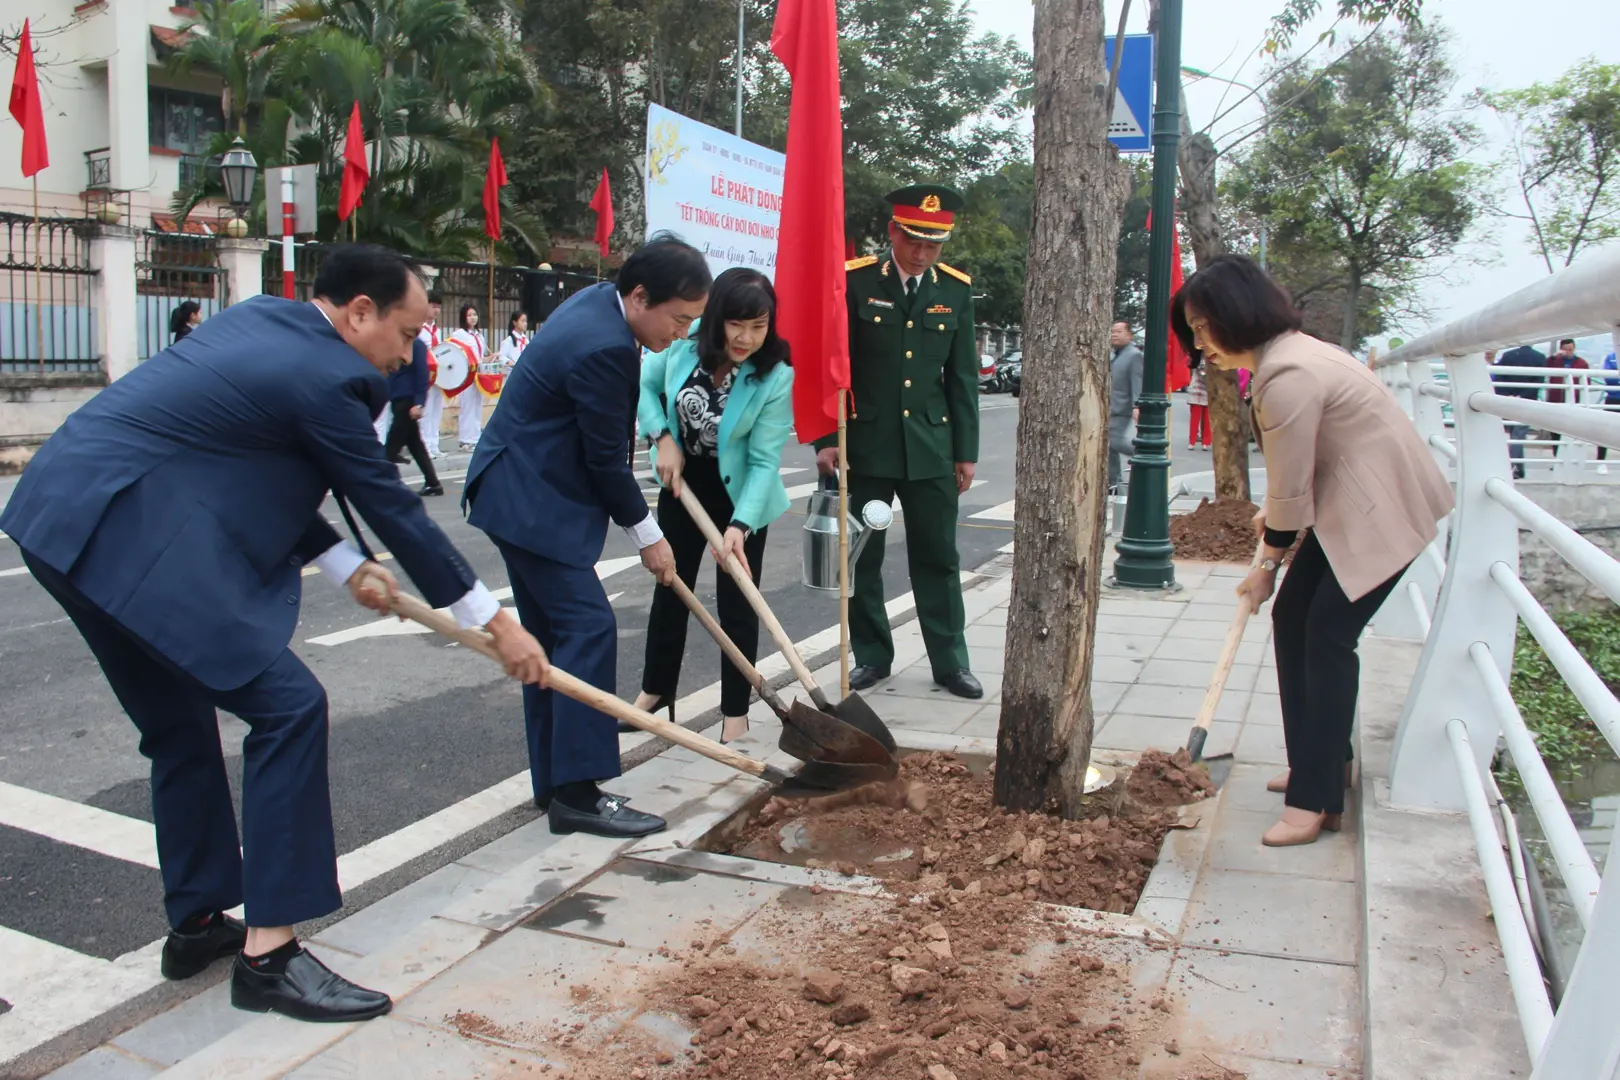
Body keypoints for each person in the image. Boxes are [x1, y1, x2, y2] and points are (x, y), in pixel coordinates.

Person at [0, 244, 548, 1021]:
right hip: (128, 535)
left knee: (177, 723)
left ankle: (195, 921)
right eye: (406, 331)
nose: (411, 352)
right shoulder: (331, 377)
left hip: (56, 517)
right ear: (360, 312)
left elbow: (246, 462)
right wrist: (495, 624)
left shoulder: (263, 319)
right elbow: (391, 505)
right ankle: (271, 956)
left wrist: (344, 565)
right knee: (288, 708)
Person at [1171, 254, 1452, 848]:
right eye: (1192, 329)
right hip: (1351, 510)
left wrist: (1266, 564)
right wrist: (1276, 519)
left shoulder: (1286, 376)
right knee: (1293, 619)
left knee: (1325, 636)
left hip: (1380, 516)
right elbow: (1293, 484)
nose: (1200, 344)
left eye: (1202, 326)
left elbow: (1292, 496)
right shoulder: (1292, 356)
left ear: (1237, 314)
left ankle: (1316, 799)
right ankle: (1319, 762)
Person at [464, 233, 708, 837]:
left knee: (551, 638)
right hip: (532, 500)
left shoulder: (599, 301)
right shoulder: (606, 347)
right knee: (587, 627)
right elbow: (605, 464)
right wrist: (650, 537)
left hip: (515, 490)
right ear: (641, 295)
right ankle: (577, 792)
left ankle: (554, 782)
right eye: (677, 320)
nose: (679, 335)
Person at [820, 185, 982, 700]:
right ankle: (871, 654)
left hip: (932, 447)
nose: (922, 253)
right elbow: (832, 365)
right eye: (914, 241)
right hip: (868, 445)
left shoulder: (955, 291)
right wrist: (827, 436)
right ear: (893, 231)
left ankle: (950, 662)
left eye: (933, 245)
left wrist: (966, 451)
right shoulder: (855, 282)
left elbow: (963, 378)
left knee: (938, 555)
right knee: (863, 555)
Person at [635, 268, 794, 745]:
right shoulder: (683, 350)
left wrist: (740, 526)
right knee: (671, 587)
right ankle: (656, 691)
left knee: (738, 601)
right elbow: (642, 387)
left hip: (741, 493)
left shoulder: (774, 375)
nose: (746, 337)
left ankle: (735, 712)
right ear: (717, 317)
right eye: (736, 324)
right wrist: (662, 437)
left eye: (758, 326)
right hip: (682, 484)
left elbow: (766, 461)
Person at [384, 336, 445, 496]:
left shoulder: (415, 344)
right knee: (415, 445)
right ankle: (433, 483)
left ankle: (378, 484)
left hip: (408, 401)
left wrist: (419, 403)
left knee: (391, 446)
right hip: (397, 398)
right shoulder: (395, 341)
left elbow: (422, 373)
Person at [1494, 344, 1545, 479]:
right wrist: (1522, 396)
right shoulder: (1539, 357)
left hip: (1509, 400)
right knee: (1518, 435)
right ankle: (1516, 467)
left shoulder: (1508, 355)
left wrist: (1507, 394)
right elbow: (1538, 382)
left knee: (1513, 434)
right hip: (1527, 401)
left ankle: (1515, 467)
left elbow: (1499, 376)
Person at [1108, 321, 1144, 490]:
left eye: (1119, 331)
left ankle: (1143, 453)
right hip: (1109, 407)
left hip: (1121, 408)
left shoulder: (1134, 355)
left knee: (1113, 442)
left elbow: (1136, 381)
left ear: (1129, 335)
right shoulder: (1114, 354)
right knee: (1108, 447)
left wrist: (1137, 406)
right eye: (1113, 331)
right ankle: (1113, 483)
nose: (1115, 334)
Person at [451, 304, 487, 451]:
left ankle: (475, 437)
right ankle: (465, 440)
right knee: (467, 406)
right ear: (464, 318)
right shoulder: (459, 334)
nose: (473, 318)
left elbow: (481, 355)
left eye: (475, 315)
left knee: (477, 405)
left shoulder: (479, 335)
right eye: (470, 315)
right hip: (466, 375)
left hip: (479, 374)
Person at [1545, 338, 1589, 451]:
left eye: (1571, 349)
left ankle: (1567, 453)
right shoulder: (1554, 361)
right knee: (1554, 430)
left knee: (1571, 429)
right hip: (1555, 398)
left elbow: (1586, 381)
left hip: (1573, 399)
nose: (1569, 352)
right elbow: (1544, 367)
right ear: (1561, 349)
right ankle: (1556, 455)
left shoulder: (1582, 363)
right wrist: (1554, 357)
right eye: (1566, 349)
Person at [418, 292, 446, 458]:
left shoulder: (437, 331)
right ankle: (425, 446)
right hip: (425, 375)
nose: (436, 310)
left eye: (438, 307)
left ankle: (434, 444)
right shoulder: (420, 329)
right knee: (426, 411)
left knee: (437, 409)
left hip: (439, 376)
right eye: (433, 306)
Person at [1185, 352, 1211, 451]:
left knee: (1208, 420)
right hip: (1196, 391)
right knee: (1194, 420)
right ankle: (1192, 441)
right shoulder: (1196, 356)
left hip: (1208, 391)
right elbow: (1201, 371)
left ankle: (1206, 442)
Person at [1599, 350, 1618, 469]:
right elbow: (1609, 378)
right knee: (1604, 430)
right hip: (1613, 397)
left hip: (1614, 394)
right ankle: (1601, 462)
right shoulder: (1611, 357)